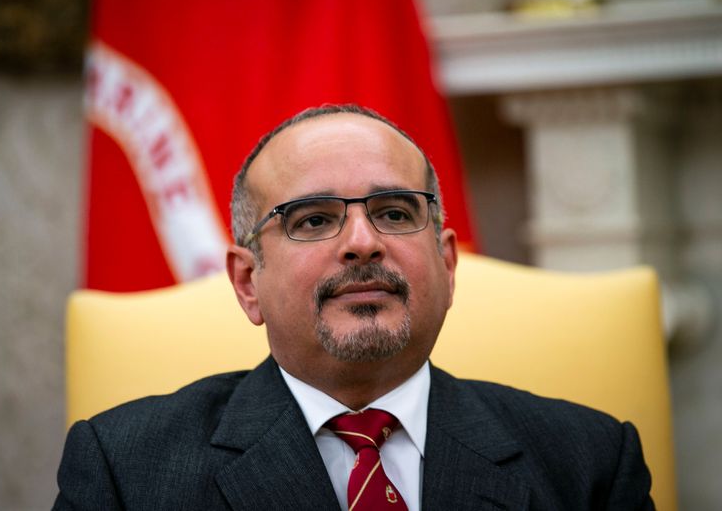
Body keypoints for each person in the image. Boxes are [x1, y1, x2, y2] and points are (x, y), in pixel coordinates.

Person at [53, 104, 654, 510]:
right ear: (246, 283)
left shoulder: (590, 463)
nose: (363, 242)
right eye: (314, 220)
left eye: (395, 213)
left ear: (446, 265)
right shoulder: (125, 471)